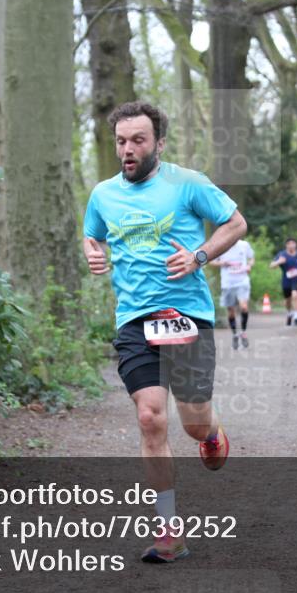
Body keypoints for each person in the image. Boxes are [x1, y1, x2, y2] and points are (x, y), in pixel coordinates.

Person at [83, 102, 246, 564]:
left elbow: (236, 223)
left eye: (138, 140)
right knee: (150, 417)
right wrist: (93, 252)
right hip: (134, 319)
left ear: (159, 143)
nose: (128, 149)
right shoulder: (103, 194)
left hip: (187, 314)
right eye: (121, 141)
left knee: (193, 423)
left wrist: (199, 256)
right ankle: (169, 530)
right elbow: (92, 235)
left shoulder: (187, 183)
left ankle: (210, 432)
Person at [210, 238, 255, 349]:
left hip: (242, 281)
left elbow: (252, 258)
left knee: (244, 307)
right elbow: (211, 261)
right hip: (227, 283)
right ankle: (235, 334)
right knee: (231, 311)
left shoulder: (244, 245)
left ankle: (243, 332)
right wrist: (222, 263)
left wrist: (249, 265)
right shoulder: (222, 245)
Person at [270, 238, 297, 326]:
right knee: (287, 300)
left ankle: (296, 316)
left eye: (293, 243)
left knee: (295, 295)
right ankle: (289, 313)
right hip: (286, 280)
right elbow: (271, 266)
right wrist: (279, 261)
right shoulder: (282, 254)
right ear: (286, 245)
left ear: (296, 245)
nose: (291, 245)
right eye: (289, 243)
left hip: (296, 279)